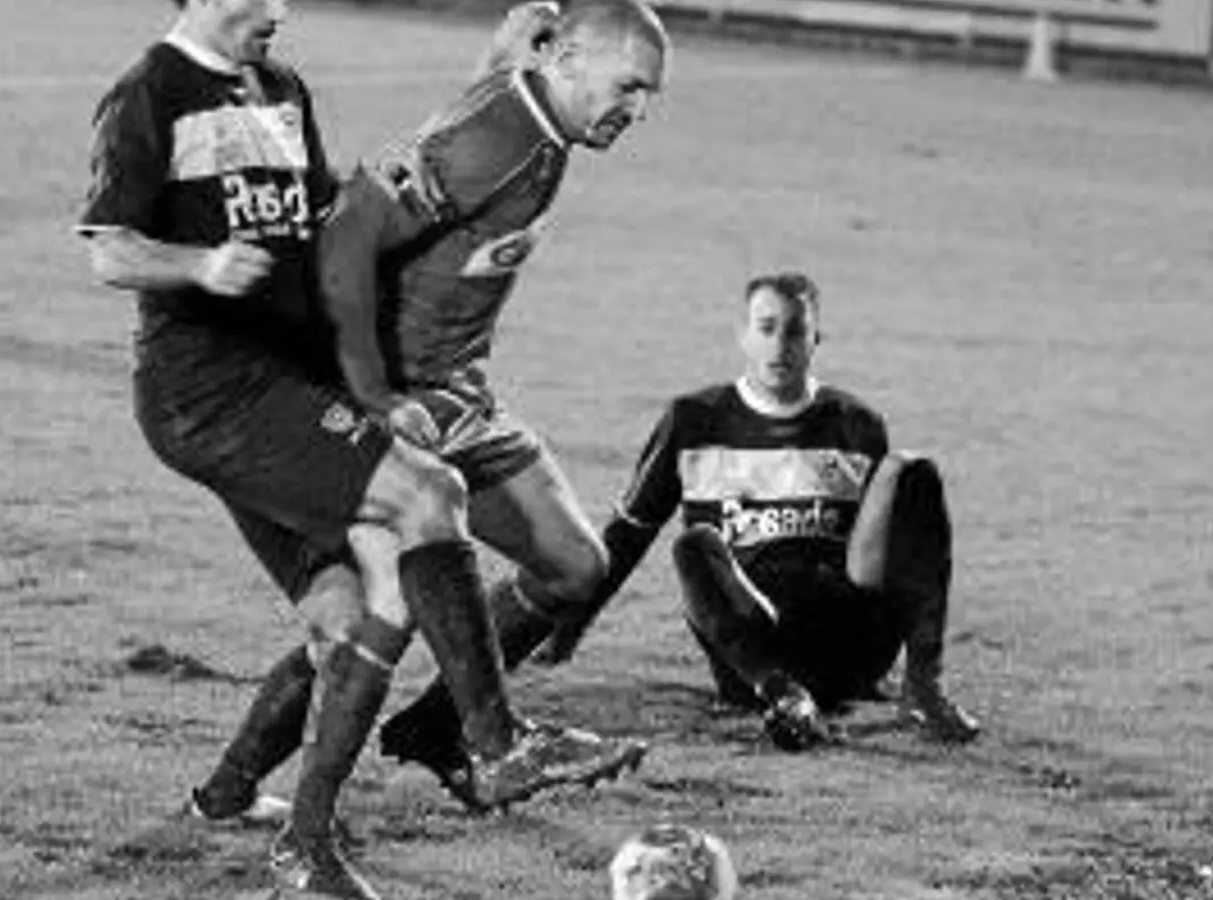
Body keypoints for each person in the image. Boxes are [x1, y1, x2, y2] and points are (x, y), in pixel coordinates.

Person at [76, 1, 647, 895]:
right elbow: (109, 251)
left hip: (294, 384)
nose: (282, 10)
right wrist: (200, 266)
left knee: (355, 615)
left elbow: (356, 205)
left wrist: (492, 76)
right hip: (215, 392)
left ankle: (254, 815)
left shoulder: (280, 88)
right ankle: (496, 743)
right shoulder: (149, 92)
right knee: (426, 497)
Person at [321, 0, 672, 809]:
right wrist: (374, 394)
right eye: (628, 86)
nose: (637, 110)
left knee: (574, 565)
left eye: (649, 94)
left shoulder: (537, 118)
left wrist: (500, 54)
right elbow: (346, 237)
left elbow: (472, 119)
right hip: (407, 399)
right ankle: (243, 800)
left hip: (461, 393)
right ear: (568, 61)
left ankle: (435, 729)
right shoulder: (500, 141)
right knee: (367, 616)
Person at [533, 273, 984, 751]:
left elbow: (889, 552)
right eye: (767, 328)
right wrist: (566, 633)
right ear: (743, 335)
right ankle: (784, 697)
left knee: (911, 472)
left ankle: (924, 687)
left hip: (849, 638)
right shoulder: (694, 419)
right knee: (695, 545)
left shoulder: (855, 423)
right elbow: (629, 534)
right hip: (753, 649)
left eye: (795, 331)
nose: (780, 345)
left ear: (815, 340)